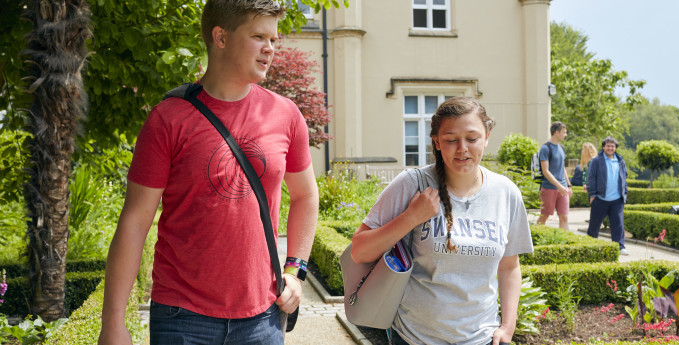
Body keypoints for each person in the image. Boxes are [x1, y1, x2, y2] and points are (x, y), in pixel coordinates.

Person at [98, 1, 319, 344]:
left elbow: (306, 196)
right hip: (182, 318)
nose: (270, 48)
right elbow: (135, 221)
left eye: (273, 39)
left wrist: (296, 271)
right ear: (220, 37)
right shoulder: (168, 119)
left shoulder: (286, 115)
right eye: (259, 36)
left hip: (263, 317)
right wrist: (112, 322)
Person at [350, 97, 534, 345]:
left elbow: (509, 266)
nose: (462, 148)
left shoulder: (506, 192)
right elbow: (359, 251)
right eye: (450, 140)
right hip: (414, 338)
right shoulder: (412, 184)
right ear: (436, 141)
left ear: (487, 136)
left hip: (482, 339)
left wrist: (508, 326)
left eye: (472, 138)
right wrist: (411, 218)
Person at [586, 137, 629, 256]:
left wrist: (624, 194)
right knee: (594, 224)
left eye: (613, 146)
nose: (610, 148)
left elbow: (624, 178)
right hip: (600, 198)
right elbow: (591, 178)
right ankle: (589, 245)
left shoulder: (620, 161)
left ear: (615, 148)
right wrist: (592, 194)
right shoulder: (596, 161)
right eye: (608, 146)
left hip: (617, 199)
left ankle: (620, 246)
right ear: (603, 147)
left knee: (618, 224)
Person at [536, 121, 573, 230]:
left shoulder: (561, 148)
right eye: (564, 132)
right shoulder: (545, 148)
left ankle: (565, 244)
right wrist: (559, 186)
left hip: (563, 188)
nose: (565, 135)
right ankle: (535, 238)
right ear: (556, 132)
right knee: (545, 216)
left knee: (564, 217)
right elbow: (545, 171)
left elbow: (562, 168)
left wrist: (568, 185)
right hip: (549, 188)